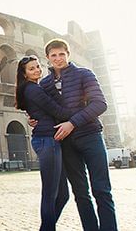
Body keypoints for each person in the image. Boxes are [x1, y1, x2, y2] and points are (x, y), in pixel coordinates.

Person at [32, 38, 117, 231]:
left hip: (91, 136)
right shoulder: (45, 84)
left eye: (62, 54)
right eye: (53, 55)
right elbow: (45, 112)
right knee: (80, 193)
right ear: (48, 58)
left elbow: (100, 104)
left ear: (68, 54)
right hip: (66, 143)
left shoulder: (84, 74)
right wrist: (35, 120)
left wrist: (72, 123)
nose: (58, 58)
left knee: (102, 190)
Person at [15, 55, 71, 231]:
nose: (37, 70)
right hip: (47, 141)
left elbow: (42, 111)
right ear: (24, 74)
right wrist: (80, 112)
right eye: (31, 69)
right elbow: (58, 111)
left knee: (62, 195)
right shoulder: (33, 90)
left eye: (38, 66)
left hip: (48, 140)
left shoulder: (32, 89)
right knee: (50, 194)